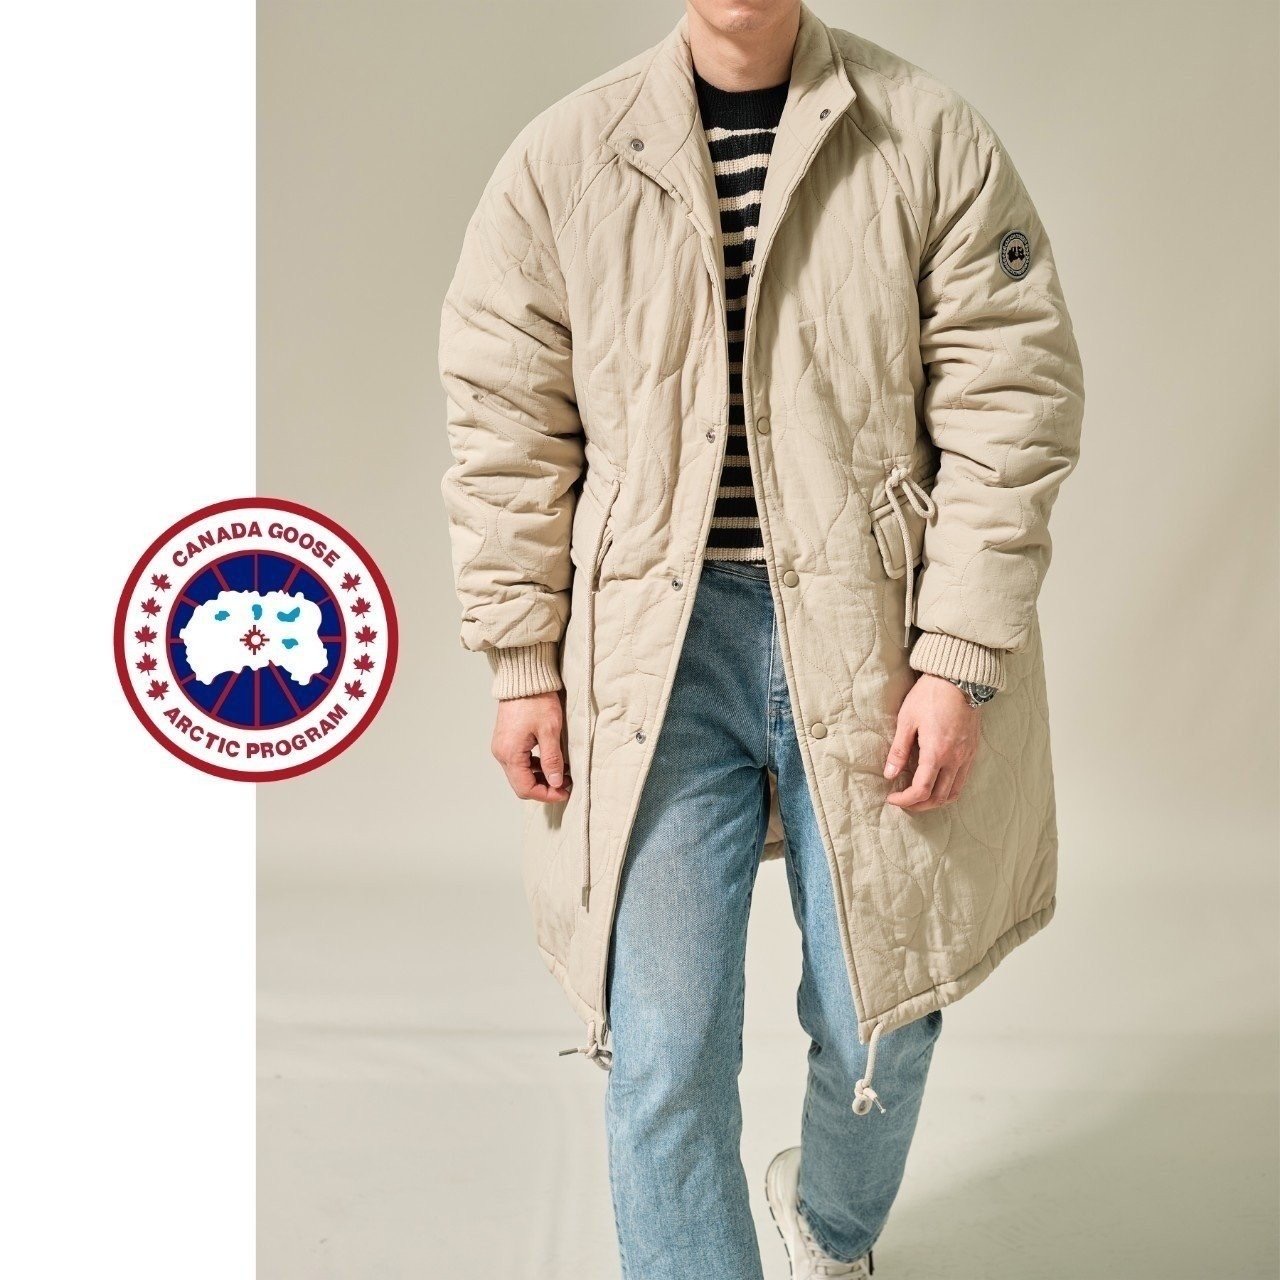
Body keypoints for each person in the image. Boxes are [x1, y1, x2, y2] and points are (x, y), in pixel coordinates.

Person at [438, 1, 1084, 1274]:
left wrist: (956, 654)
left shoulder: (925, 136)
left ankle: (831, 1227)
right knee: (664, 1047)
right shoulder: (561, 160)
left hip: (870, 634)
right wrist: (522, 659)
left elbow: (1011, 401)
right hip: (653, 657)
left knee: (880, 1012)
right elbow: (503, 421)